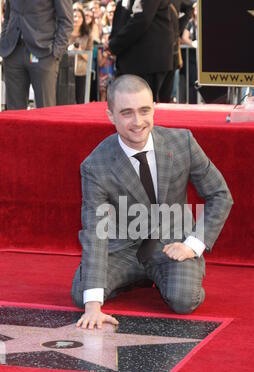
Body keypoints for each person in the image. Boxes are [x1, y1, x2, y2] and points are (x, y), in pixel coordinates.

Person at [72, 74, 233, 330]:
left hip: (173, 243)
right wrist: (93, 306)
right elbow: (94, 230)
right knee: (84, 292)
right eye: (126, 113)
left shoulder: (183, 143)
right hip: (123, 248)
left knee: (184, 300)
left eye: (144, 110)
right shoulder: (96, 165)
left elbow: (220, 194)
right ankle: (139, 277)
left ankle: (164, 274)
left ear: (154, 108)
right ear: (111, 115)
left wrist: (193, 245)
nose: (138, 122)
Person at [0, 0, 73, 110]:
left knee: (45, 110)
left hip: (44, 53)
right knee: (14, 113)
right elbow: (8, 16)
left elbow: (67, 22)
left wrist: (55, 53)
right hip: (13, 52)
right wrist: (5, 39)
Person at [108, 0, 174, 102]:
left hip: (146, 61)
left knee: (141, 105)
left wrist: (114, 45)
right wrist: (112, 42)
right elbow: (122, 16)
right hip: (134, 59)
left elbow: (141, 19)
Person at [68, 8, 93, 104]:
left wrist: (79, 51)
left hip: (81, 72)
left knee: (80, 100)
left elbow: (89, 56)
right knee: (66, 100)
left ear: (83, 19)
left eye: (79, 16)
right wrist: (68, 50)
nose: (77, 19)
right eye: (74, 16)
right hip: (65, 71)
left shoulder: (87, 35)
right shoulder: (64, 33)